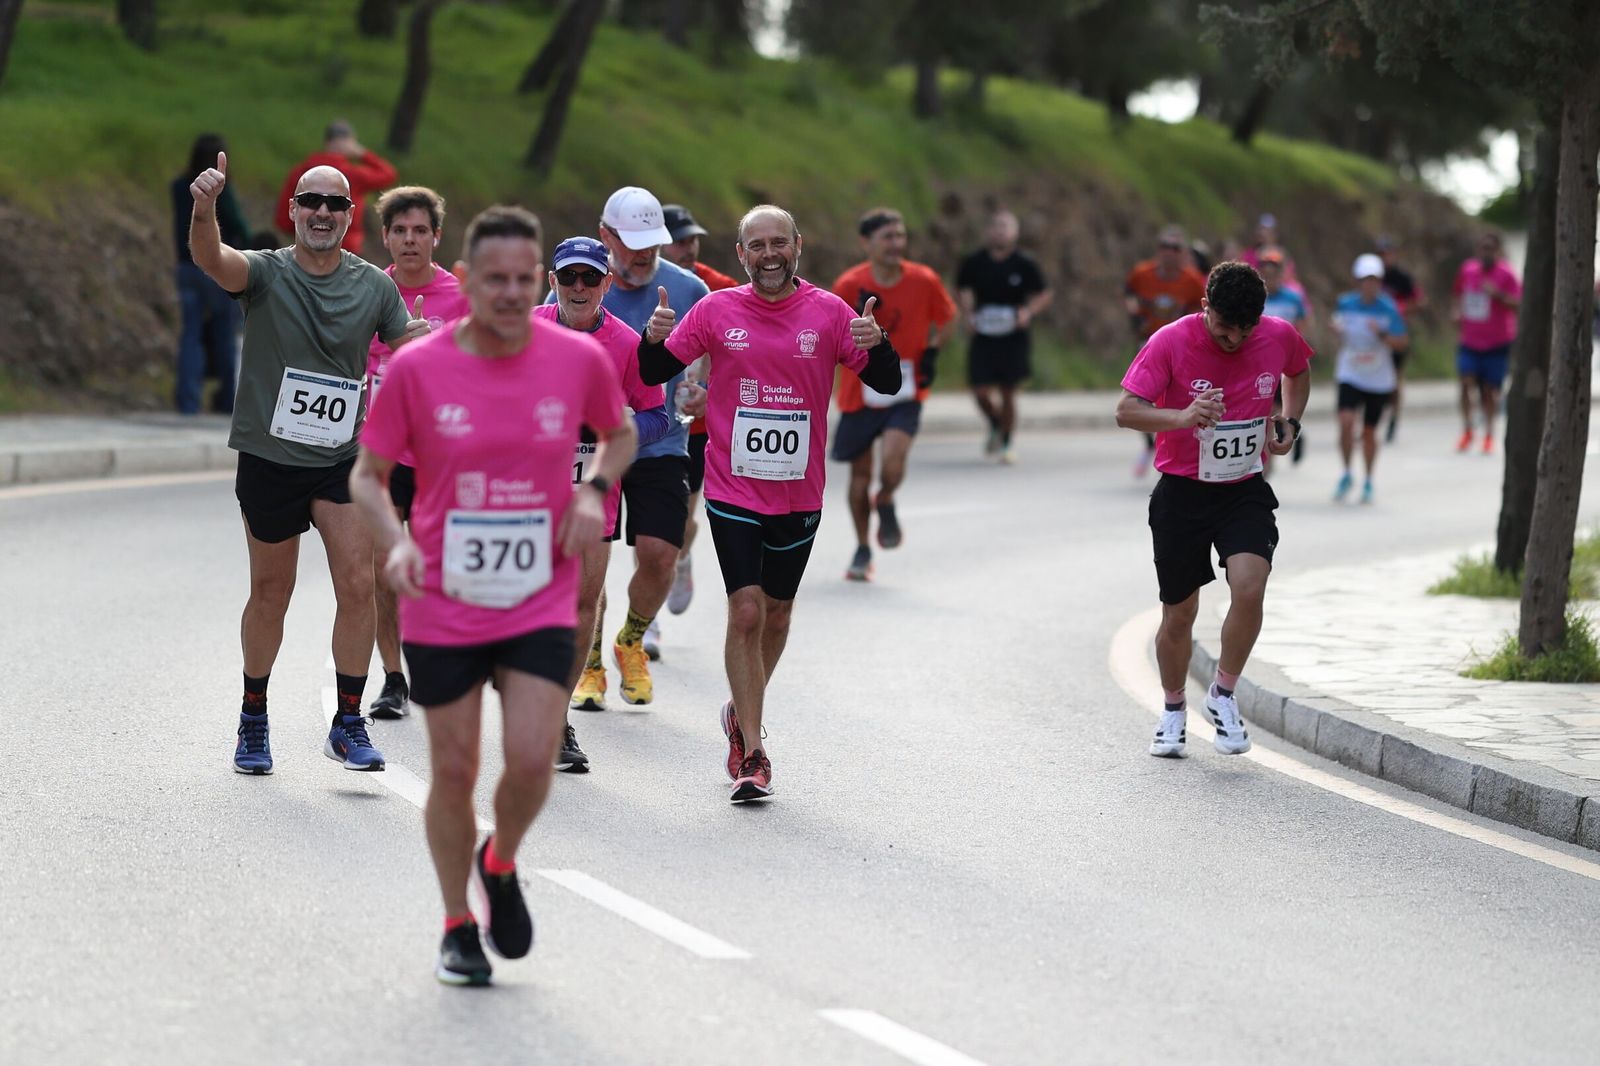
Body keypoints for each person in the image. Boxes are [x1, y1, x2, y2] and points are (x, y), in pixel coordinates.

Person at [350, 205, 637, 986]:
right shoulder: (418, 368)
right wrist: (399, 540)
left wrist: (595, 490)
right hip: (445, 595)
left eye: (523, 279)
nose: (510, 294)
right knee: (452, 769)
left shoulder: (575, 360)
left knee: (535, 760)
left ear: (537, 279)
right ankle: (455, 923)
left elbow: (621, 433)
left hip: (539, 591)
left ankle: (500, 857)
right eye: (494, 280)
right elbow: (368, 480)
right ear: (468, 280)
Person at [640, 204, 903, 802]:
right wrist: (653, 341)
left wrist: (879, 343)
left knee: (778, 614)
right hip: (733, 485)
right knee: (747, 612)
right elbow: (658, 367)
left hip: (799, 491)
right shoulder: (715, 309)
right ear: (741, 254)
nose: (768, 254)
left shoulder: (831, 314)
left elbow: (886, 382)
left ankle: (742, 708)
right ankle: (753, 752)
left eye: (778, 243)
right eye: (756, 245)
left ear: (797, 246)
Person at [189, 152, 430, 776]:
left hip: (340, 460)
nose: (322, 212)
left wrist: (423, 342)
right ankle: (253, 717)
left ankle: (348, 723)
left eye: (335, 204)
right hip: (270, 458)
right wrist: (204, 210)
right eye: (310, 201)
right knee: (272, 593)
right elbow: (211, 260)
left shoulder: (374, 286)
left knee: (358, 583)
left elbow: (401, 342)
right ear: (293, 210)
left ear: (349, 217)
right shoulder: (266, 273)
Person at [1114, 260, 1312, 759]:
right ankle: (1174, 708)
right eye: (1224, 329)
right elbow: (1126, 409)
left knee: (1251, 584)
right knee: (1179, 614)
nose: (1234, 341)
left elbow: (1299, 370)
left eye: (1245, 331)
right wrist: (1181, 416)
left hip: (1243, 489)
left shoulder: (1278, 335)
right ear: (1205, 308)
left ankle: (1222, 694)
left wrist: (1289, 421)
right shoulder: (1170, 341)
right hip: (1181, 492)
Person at [561, 186, 710, 710]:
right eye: (631, 242)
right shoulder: (572, 290)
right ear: (606, 237)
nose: (645, 253)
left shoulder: (689, 290)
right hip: (584, 455)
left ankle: (632, 639)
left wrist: (703, 390)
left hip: (657, 440)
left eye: (654, 242)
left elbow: (719, 353)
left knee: (659, 554)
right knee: (587, 563)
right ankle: (591, 661)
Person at [535, 236, 674, 771]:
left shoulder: (626, 344)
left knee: (578, 609)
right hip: (522, 496)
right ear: (553, 281)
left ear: (606, 284)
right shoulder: (525, 330)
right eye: (568, 277)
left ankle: (554, 719)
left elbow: (658, 416)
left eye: (589, 278)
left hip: (593, 498)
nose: (577, 288)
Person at [366, 186, 473, 720]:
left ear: (436, 237)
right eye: (400, 231)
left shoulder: (460, 297)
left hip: (442, 456)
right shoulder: (366, 289)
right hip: (383, 452)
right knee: (383, 566)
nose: (410, 240)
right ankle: (392, 677)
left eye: (419, 231)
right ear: (386, 238)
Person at [830, 207, 958, 581]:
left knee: (893, 461)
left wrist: (932, 350)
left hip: (906, 387)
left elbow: (948, 318)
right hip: (861, 388)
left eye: (900, 235)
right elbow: (832, 333)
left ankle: (885, 497)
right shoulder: (849, 285)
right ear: (866, 243)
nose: (895, 244)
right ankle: (862, 547)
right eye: (887, 237)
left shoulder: (923, 279)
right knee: (860, 473)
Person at [661, 204, 739, 620]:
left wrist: (707, 388)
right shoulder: (637, 283)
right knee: (650, 529)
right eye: (679, 240)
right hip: (645, 421)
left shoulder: (720, 288)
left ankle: (679, 559)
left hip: (696, 425)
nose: (689, 248)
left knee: (677, 522)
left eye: (693, 239)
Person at [956, 209, 1051, 464]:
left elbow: (1043, 293)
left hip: (1013, 334)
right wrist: (968, 314)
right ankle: (996, 423)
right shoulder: (974, 262)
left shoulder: (1024, 263)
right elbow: (963, 288)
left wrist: (1027, 312)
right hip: (984, 332)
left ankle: (1007, 442)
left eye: (1006, 226)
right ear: (988, 231)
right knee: (980, 390)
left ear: (1015, 233)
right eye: (996, 226)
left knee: (1009, 391)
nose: (1000, 231)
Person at [173, 133, 248, 415]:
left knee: (190, 335)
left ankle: (187, 402)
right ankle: (228, 400)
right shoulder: (220, 188)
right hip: (217, 265)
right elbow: (239, 225)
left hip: (185, 265)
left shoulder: (179, 186)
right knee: (224, 335)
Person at [1125, 225, 1206, 475]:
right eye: (1164, 247)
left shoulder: (1192, 279)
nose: (1169, 253)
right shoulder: (1142, 273)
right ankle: (1149, 442)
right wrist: (1135, 313)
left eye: (1175, 248)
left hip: (1179, 348)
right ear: (1158, 250)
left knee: (1173, 398)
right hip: (1148, 343)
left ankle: (1168, 445)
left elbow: (1203, 308)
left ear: (1183, 252)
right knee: (1141, 397)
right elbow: (1128, 293)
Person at [1331, 254, 1409, 504]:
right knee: (1345, 421)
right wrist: (1336, 330)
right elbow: (1337, 327)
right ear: (1357, 281)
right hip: (1350, 372)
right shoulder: (1345, 303)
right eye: (1365, 280)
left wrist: (1383, 334)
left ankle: (1367, 480)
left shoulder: (1389, 308)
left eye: (1374, 280)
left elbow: (1401, 343)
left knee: (1368, 431)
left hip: (1378, 377)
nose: (1370, 285)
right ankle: (1345, 472)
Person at [274, 119, 398, 255]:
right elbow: (388, 174)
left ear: (327, 142)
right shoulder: (352, 174)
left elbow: (283, 219)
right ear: (348, 142)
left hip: (305, 248)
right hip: (346, 250)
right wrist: (363, 154)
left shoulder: (300, 172)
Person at [1452, 232, 1522, 454]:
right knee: (1465, 383)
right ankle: (1467, 429)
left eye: (1491, 248)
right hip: (1470, 340)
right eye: (1483, 248)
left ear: (1498, 252)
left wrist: (1498, 295)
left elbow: (1518, 305)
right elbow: (1457, 295)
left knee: (1491, 392)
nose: (1486, 252)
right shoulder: (1468, 270)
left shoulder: (1507, 274)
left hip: (1497, 342)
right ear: (1477, 250)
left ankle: (1489, 434)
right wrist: (1455, 313)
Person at [1376, 236, 1426, 443]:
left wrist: (1402, 309)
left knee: (1395, 380)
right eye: (1382, 254)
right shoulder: (1373, 277)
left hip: (1396, 334)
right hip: (1376, 335)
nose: (1385, 258)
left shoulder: (1402, 278)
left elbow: (1420, 300)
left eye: (1388, 254)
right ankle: (1374, 419)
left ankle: (1394, 419)